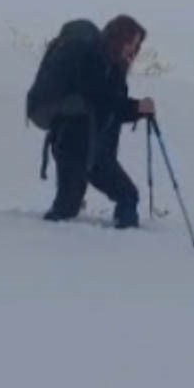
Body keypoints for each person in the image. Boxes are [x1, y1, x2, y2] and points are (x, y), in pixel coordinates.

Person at [42, 15, 156, 229]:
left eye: (137, 44)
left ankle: (121, 244)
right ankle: (125, 246)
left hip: (88, 148)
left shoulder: (111, 66)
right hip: (77, 146)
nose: (135, 49)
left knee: (72, 206)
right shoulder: (95, 61)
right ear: (120, 38)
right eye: (133, 42)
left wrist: (138, 110)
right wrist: (137, 107)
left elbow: (110, 108)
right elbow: (102, 101)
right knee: (74, 206)